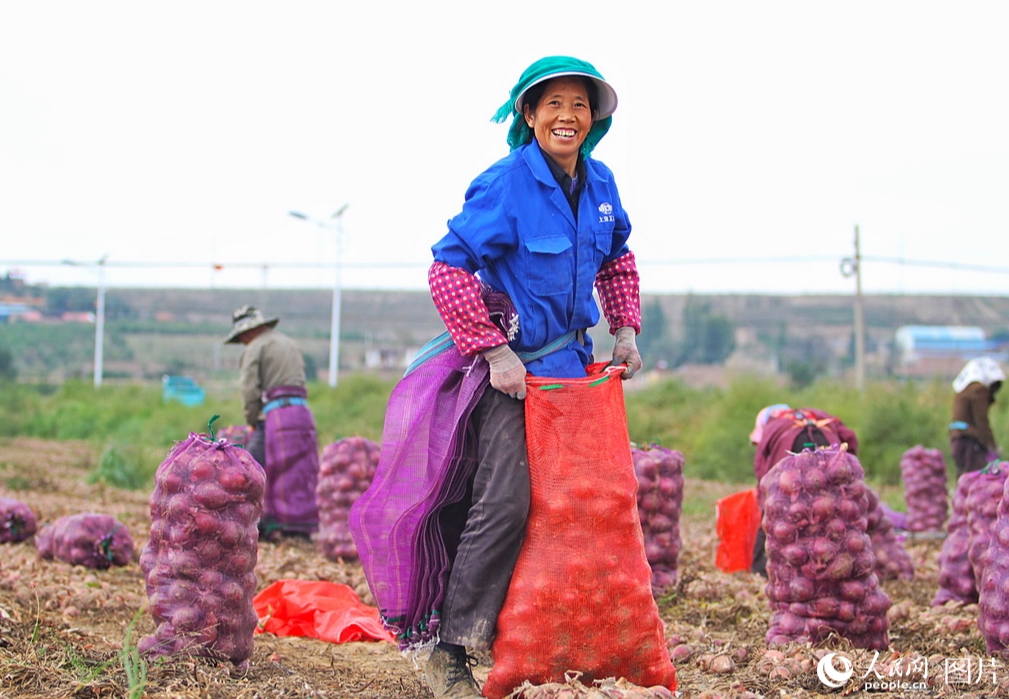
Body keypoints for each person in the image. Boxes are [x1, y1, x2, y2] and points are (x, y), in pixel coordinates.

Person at [353, 56, 641, 699]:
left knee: (571, 506)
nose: (568, 116)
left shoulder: (600, 186)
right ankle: (450, 649)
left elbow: (618, 259)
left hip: (572, 375)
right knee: (505, 502)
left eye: (580, 105)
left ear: (595, 120)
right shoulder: (506, 185)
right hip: (511, 373)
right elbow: (447, 270)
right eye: (553, 105)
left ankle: (536, 637)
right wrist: (491, 351)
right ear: (529, 117)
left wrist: (624, 327)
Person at [224, 304, 320, 539]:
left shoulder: (255, 347)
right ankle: (299, 527)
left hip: (276, 415)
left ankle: (264, 525)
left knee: (253, 469)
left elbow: (249, 389)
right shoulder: (288, 343)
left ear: (247, 332)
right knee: (299, 471)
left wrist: (252, 419)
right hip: (302, 414)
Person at [749, 404, 859, 577]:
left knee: (779, 510)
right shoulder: (818, 414)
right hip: (829, 446)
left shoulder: (774, 423)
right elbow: (850, 438)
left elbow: (761, 466)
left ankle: (763, 570)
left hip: (789, 450)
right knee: (833, 509)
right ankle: (834, 566)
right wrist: (847, 469)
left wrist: (763, 496)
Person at [949, 356, 1005, 476]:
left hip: (957, 438)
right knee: (976, 479)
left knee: (964, 479)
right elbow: (982, 422)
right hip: (970, 441)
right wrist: (993, 446)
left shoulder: (964, 389)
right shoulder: (978, 390)